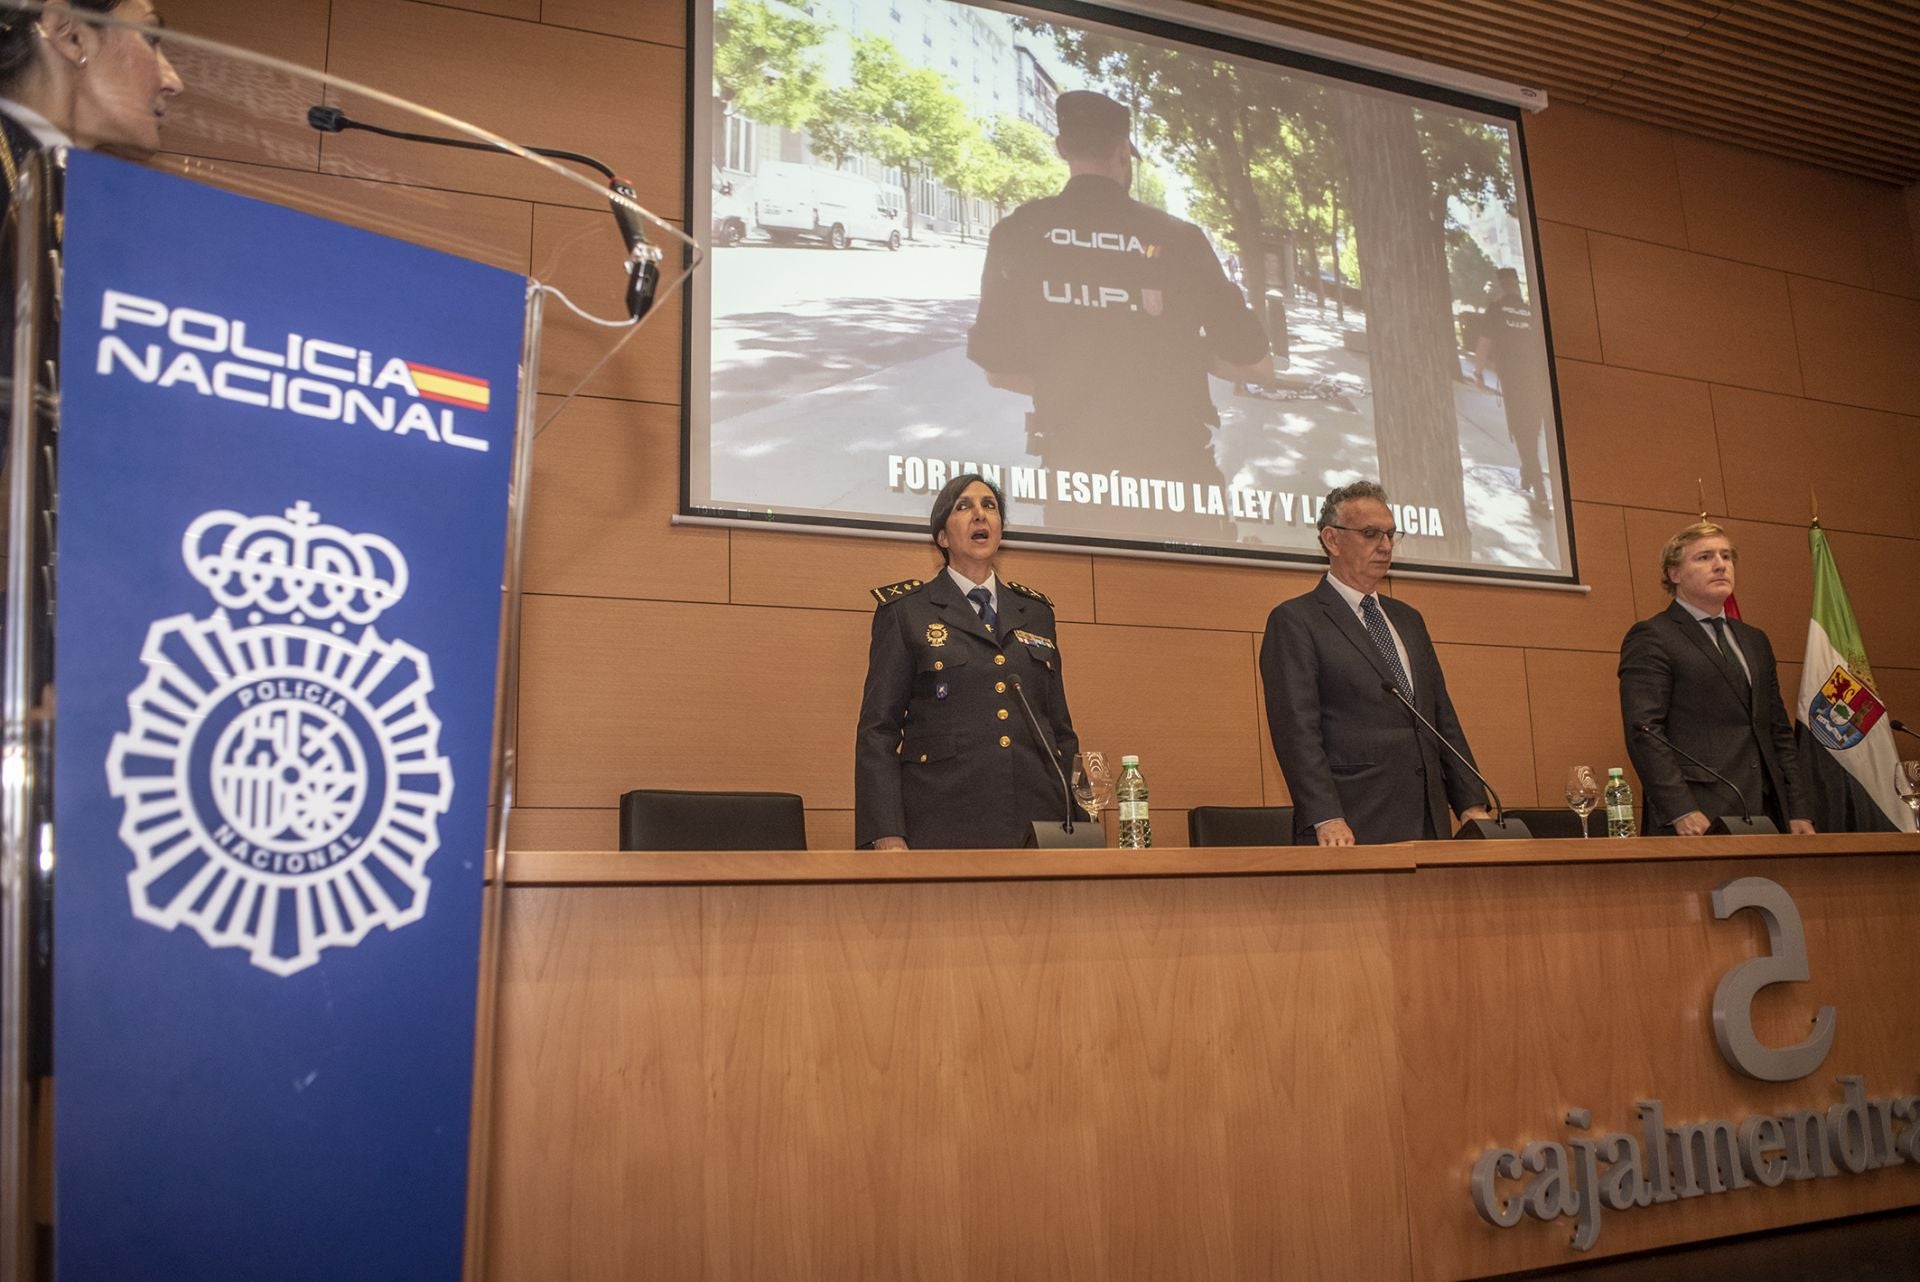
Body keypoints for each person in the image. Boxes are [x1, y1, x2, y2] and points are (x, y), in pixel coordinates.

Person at [966, 90, 1272, 528]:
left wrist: (1079, 374)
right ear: (1123, 152)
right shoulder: (1181, 239)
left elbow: (998, 370)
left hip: (1078, 491)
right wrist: (1181, 354)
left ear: (1061, 148)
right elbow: (1259, 367)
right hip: (1179, 485)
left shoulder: (1016, 234)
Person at [855, 474, 1083, 849]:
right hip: (942, 817)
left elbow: (1060, 730)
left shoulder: (1036, 613)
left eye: (989, 506)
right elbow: (878, 731)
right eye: (964, 507)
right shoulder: (907, 612)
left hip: (1038, 820)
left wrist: (1080, 817)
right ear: (942, 537)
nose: (980, 515)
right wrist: (886, 831)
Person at [1259, 480, 1492, 845]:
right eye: (1370, 534)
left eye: (1390, 534)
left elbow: (1439, 716)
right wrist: (1326, 816)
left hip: (1428, 820)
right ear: (1331, 540)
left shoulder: (1408, 619)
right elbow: (1296, 731)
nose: (1384, 546)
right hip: (1352, 822)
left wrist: (1470, 802)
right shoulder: (1296, 620)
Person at [1618, 521, 1815, 836]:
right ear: (1675, 574)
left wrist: (1798, 809)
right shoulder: (1654, 636)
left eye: (1726, 556)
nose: (1720, 565)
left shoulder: (1755, 640)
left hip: (1768, 814)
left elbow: (1777, 730)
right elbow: (1645, 731)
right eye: (1704, 557)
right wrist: (1680, 808)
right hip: (1698, 816)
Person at [1472, 267, 1551, 507]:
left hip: (1514, 383)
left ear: (1500, 286)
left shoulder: (1495, 310)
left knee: (1521, 433)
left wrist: (1478, 373)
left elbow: (1484, 344)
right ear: (1517, 285)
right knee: (1530, 432)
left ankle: (1539, 491)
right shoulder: (1531, 312)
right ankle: (1528, 477)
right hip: (1537, 381)